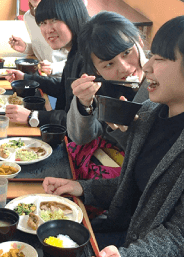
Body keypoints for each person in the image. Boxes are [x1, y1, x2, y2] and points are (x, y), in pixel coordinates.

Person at [42, 15, 184, 257]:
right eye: (151, 55)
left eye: (160, 59)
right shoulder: (151, 112)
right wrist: (81, 187)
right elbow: (138, 186)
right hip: (123, 236)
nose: (146, 67)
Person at [66, 11, 150, 180]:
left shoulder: (166, 82)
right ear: (97, 70)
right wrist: (84, 102)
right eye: (109, 64)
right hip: (104, 168)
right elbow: (81, 138)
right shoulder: (101, 87)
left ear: (139, 41)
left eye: (126, 52)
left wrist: (124, 131)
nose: (124, 68)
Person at [4, 0, 89, 128]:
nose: (48, 30)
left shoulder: (88, 58)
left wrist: (32, 116)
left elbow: (79, 120)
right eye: (43, 23)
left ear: (74, 16)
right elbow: (65, 89)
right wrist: (26, 78)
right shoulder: (75, 52)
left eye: (54, 19)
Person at [8, 0, 68, 77]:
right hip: (44, 75)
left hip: (66, 77)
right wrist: (26, 47)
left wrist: (54, 67)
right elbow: (45, 49)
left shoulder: (61, 14)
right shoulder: (28, 17)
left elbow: (80, 59)